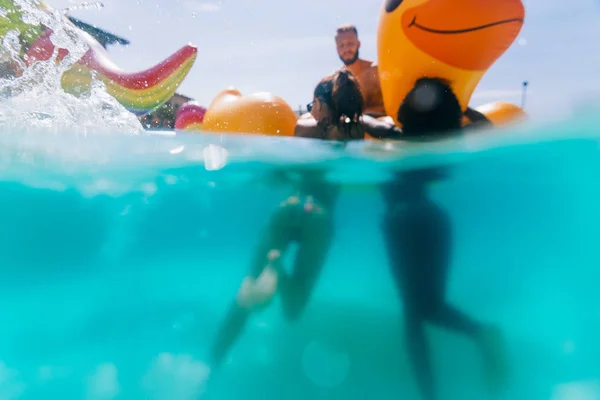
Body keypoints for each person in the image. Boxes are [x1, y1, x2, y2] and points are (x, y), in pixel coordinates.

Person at [208, 69, 401, 370]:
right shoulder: (355, 128)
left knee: (247, 292)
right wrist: (390, 124)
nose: (311, 108)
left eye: (313, 102)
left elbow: (284, 170)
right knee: (293, 308)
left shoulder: (302, 128)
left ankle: (212, 364)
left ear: (322, 104)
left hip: (290, 205)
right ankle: (278, 271)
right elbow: (392, 132)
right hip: (319, 218)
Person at [381, 77, 507, 400]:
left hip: (403, 222)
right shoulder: (452, 139)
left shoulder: (398, 138)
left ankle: (430, 394)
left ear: (407, 109)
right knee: (429, 306)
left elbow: (368, 123)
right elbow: (489, 127)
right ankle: (481, 334)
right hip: (434, 221)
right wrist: (465, 109)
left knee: (415, 313)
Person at [334, 24, 385, 117]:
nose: (346, 49)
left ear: (358, 44)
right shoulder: (336, 81)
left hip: (383, 127)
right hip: (353, 130)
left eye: (350, 43)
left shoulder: (375, 70)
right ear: (337, 49)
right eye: (341, 45)